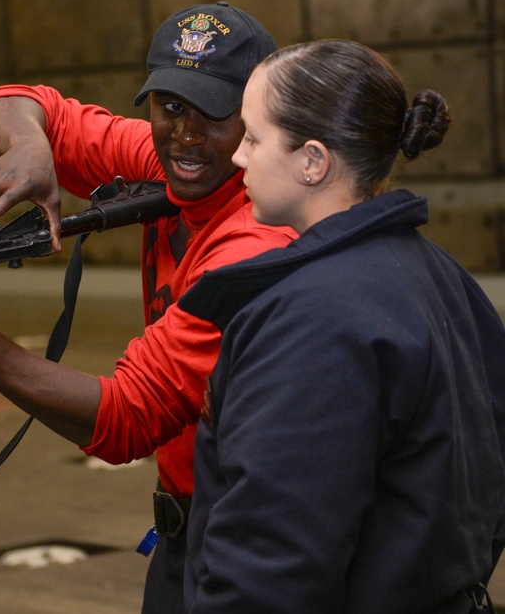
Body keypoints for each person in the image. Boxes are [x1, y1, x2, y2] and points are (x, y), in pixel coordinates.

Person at [0, 2, 297, 612]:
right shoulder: (165, 157)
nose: (187, 135)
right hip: (184, 531)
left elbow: (124, 419)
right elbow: (10, 101)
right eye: (170, 107)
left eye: (216, 113)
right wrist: (29, 147)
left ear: (259, 120)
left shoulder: (256, 241)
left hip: (252, 545)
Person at [172, 39, 505, 611]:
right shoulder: (440, 274)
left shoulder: (310, 319)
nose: (239, 157)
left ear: (313, 161)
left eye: (254, 138)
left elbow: (269, 567)